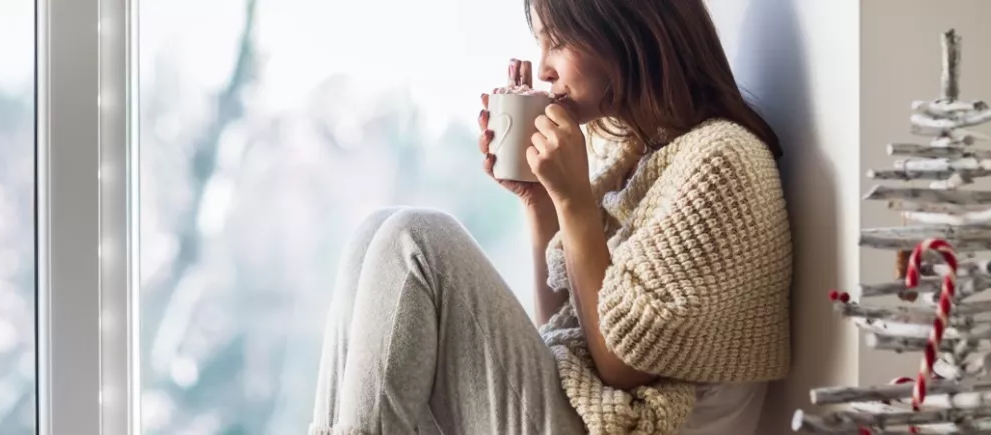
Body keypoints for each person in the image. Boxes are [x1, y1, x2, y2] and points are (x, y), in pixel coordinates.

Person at [308, 1, 792, 434]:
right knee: (373, 235)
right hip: (591, 414)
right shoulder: (636, 159)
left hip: (637, 425)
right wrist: (541, 200)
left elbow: (622, 364)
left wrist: (575, 201)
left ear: (628, 30)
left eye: (557, 42)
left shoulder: (721, 160)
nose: (543, 70)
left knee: (414, 239)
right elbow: (564, 324)